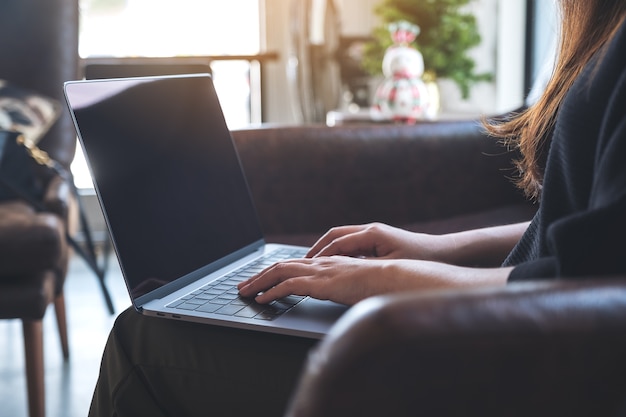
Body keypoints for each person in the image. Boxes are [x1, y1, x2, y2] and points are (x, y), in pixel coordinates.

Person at [89, 1, 626, 416]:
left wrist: (386, 281)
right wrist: (435, 249)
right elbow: (589, 235)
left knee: (141, 341)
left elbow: (592, 283)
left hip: (512, 365)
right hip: (507, 336)